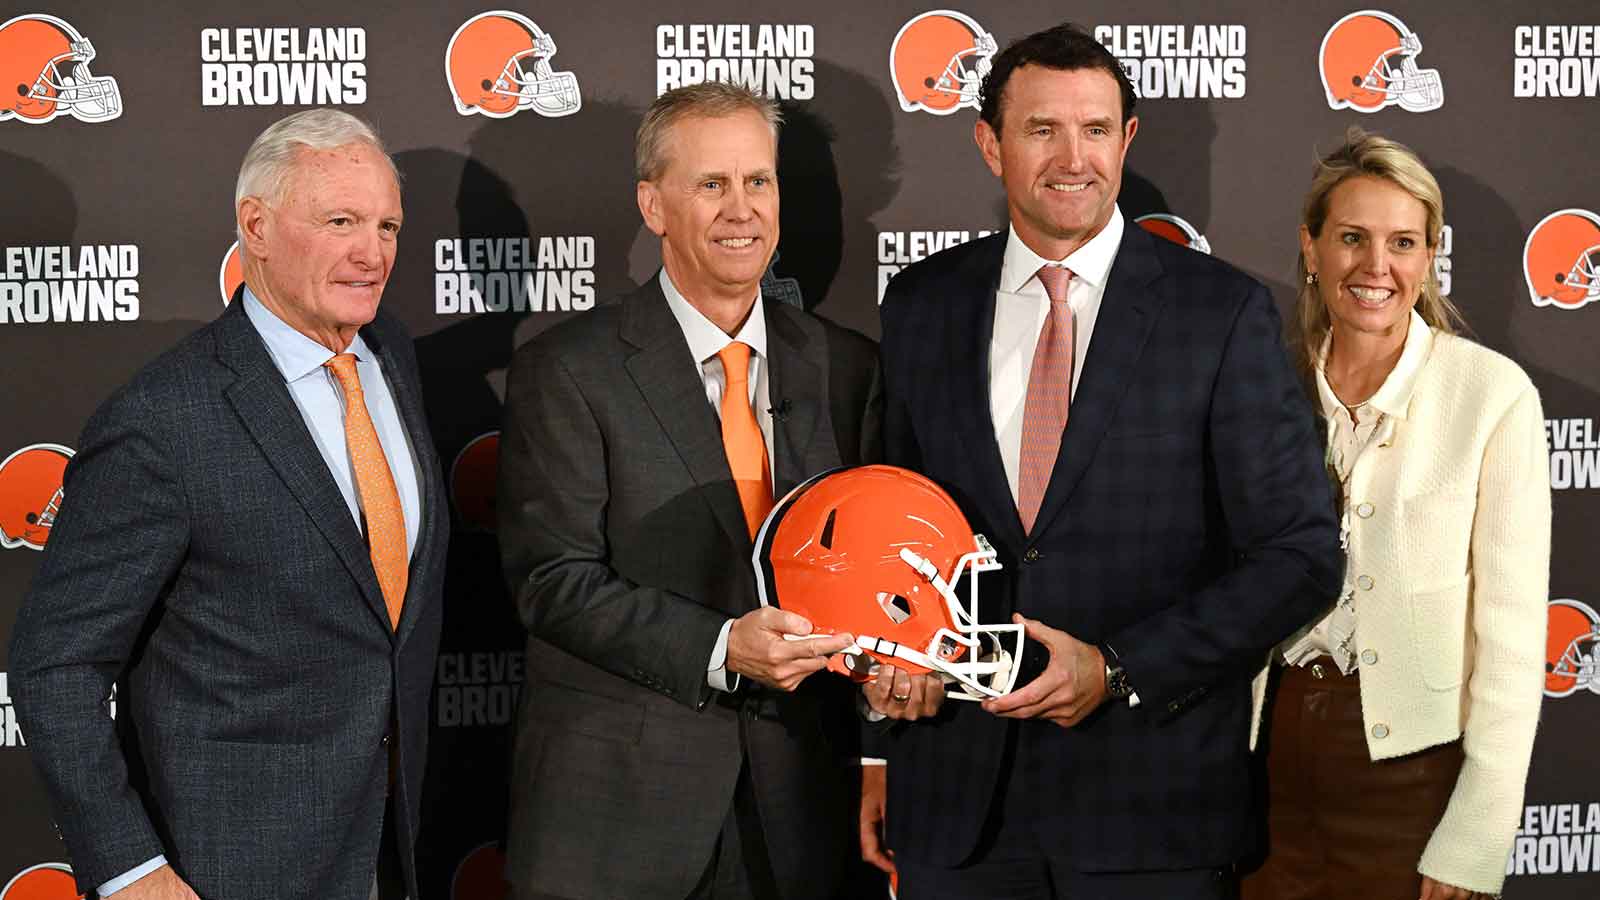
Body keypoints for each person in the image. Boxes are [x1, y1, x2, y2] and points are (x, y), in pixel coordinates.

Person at [862, 23, 1342, 899]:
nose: (1070, 158)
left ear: (1126, 140)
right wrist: (880, 725)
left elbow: (1299, 557)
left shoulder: (1220, 314)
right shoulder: (922, 305)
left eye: (1094, 130)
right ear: (989, 143)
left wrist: (1120, 667)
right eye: (1042, 129)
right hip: (957, 803)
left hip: (1150, 807)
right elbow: (890, 530)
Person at [8, 108, 447, 900]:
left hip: (393, 849)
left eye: (387, 225)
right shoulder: (162, 420)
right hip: (229, 869)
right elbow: (54, 664)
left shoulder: (390, 354)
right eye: (341, 221)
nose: (372, 252)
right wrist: (131, 869)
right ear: (257, 226)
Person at [496, 81, 880, 900]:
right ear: (652, 203)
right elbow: (551, 580)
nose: (740, 209)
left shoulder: (847, 366)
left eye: (758, 182)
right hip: (622, 819)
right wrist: (721, 649)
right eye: (711, 184)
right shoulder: (568, 369)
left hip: (802, 815)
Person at [1241, 128, 1550, 900]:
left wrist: (1477, 833)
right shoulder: (1261, 386)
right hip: (1261, 770)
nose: (1376, 266)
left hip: (1411, 781)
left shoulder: (1491, 394)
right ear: (1311, 250)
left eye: (1402, 242)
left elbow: (1512, 641)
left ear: (1427, 257)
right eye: (1352, 238)